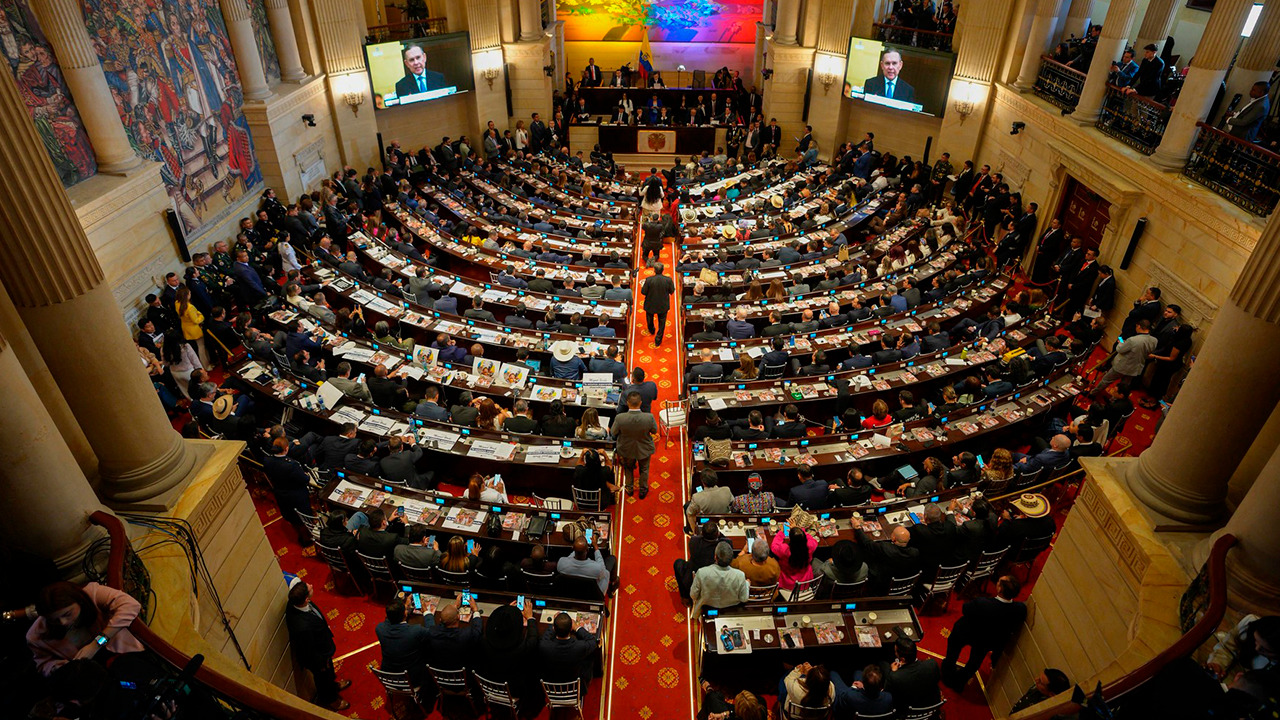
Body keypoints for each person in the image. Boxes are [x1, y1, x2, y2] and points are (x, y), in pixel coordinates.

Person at [26, 581, 144, 678]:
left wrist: (96, 644)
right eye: (54, 619)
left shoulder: (92, 593)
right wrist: (58, 667)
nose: (63, 622)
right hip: (87, 671)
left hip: (121, 651)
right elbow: (43, 664)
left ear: (80, 602)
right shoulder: (35, 635)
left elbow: (131, 605)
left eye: (67, 614)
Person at [941, 575, 1028, 691]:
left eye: (998, 582)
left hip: (968, 632)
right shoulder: (1020, 609)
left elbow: (965, 609)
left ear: (1000, 589)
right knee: (974, 662)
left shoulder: (982, 603)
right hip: (988, 640)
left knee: (954, 647)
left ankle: (948, 671)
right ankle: (960, 681)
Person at [285, 579, 351, 710]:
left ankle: (334, 686)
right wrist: (321, 664)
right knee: (323, 680)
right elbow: (310, 651)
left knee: (329, 674)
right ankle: (331, 700)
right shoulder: (302, 627)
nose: (311, 585)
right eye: (309, 588)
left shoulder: (296, 602)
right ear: (306, 600)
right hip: (318, 660)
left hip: (323, 649)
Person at [376, 596, 433, 687]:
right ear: (405, 614)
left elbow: (389, 620)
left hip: (389, 677)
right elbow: (432, 631)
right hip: (412, 679)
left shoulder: (379, 629)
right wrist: (426, 611)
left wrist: (404, 607)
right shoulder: (416, 631)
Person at [538, 611, 599, 694]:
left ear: (554, 629)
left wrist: (555, 624)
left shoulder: (544, 646)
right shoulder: (579, 647)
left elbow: (545, 638)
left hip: (552, 688)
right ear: (571, 628)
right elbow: (593, 641)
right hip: (575, 688)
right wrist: (577, 628)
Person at [612, 391, 657, 498]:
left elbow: (613, 433)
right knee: (644, 470)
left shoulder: (620, 418)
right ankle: (643, 489)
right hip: (644, 449)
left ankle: (629, 488)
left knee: (628, 468)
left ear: (627, 403)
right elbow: (654, 431)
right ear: (640, 403)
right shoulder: (649, 417)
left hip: (626, 449)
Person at [884, 636, 941, 713]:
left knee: (883, 665)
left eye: (895, 652)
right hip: (931, 705)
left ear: (903, 659)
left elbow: (887, 692)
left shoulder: (895, 677)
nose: (895, 653)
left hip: (908, 710)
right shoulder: (932, 664)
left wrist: (893, 672)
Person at [691, 542, 749, 614]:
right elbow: (744, 599)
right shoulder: (740, 575)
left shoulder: (702, 572)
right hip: (731, 611)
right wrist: (747, 584)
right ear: (731, 559)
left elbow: (693, 595)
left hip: (708, 610)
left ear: (715, 557)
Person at [557, 532, 612, 596]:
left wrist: (577, 547)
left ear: (572, 548)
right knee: (609, 566)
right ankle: (613, 585)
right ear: (587, 550)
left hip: (570, 592)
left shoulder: (561, 563)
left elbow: (569, 558)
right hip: (592, 595)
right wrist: (596, 546)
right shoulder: (597, 568)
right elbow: (602, 566)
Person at [771, 526, 819, 594]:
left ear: (790, 539)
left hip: (787, 583)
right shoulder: (810, 546)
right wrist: (801, 531)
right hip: (804, 582)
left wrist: (781, 532)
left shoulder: (785, 550)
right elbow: (813, 540)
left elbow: (774, 546)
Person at [642, 262, 675, 346]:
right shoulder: (668, 280)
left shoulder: (649, 280)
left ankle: (651, 330)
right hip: (663, 305)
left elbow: (643, 292)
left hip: (650, 304)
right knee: (662, 323)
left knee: (649, 319)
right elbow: (672, 291)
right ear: (663, 270)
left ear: (654, 270)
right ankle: (658, 340)